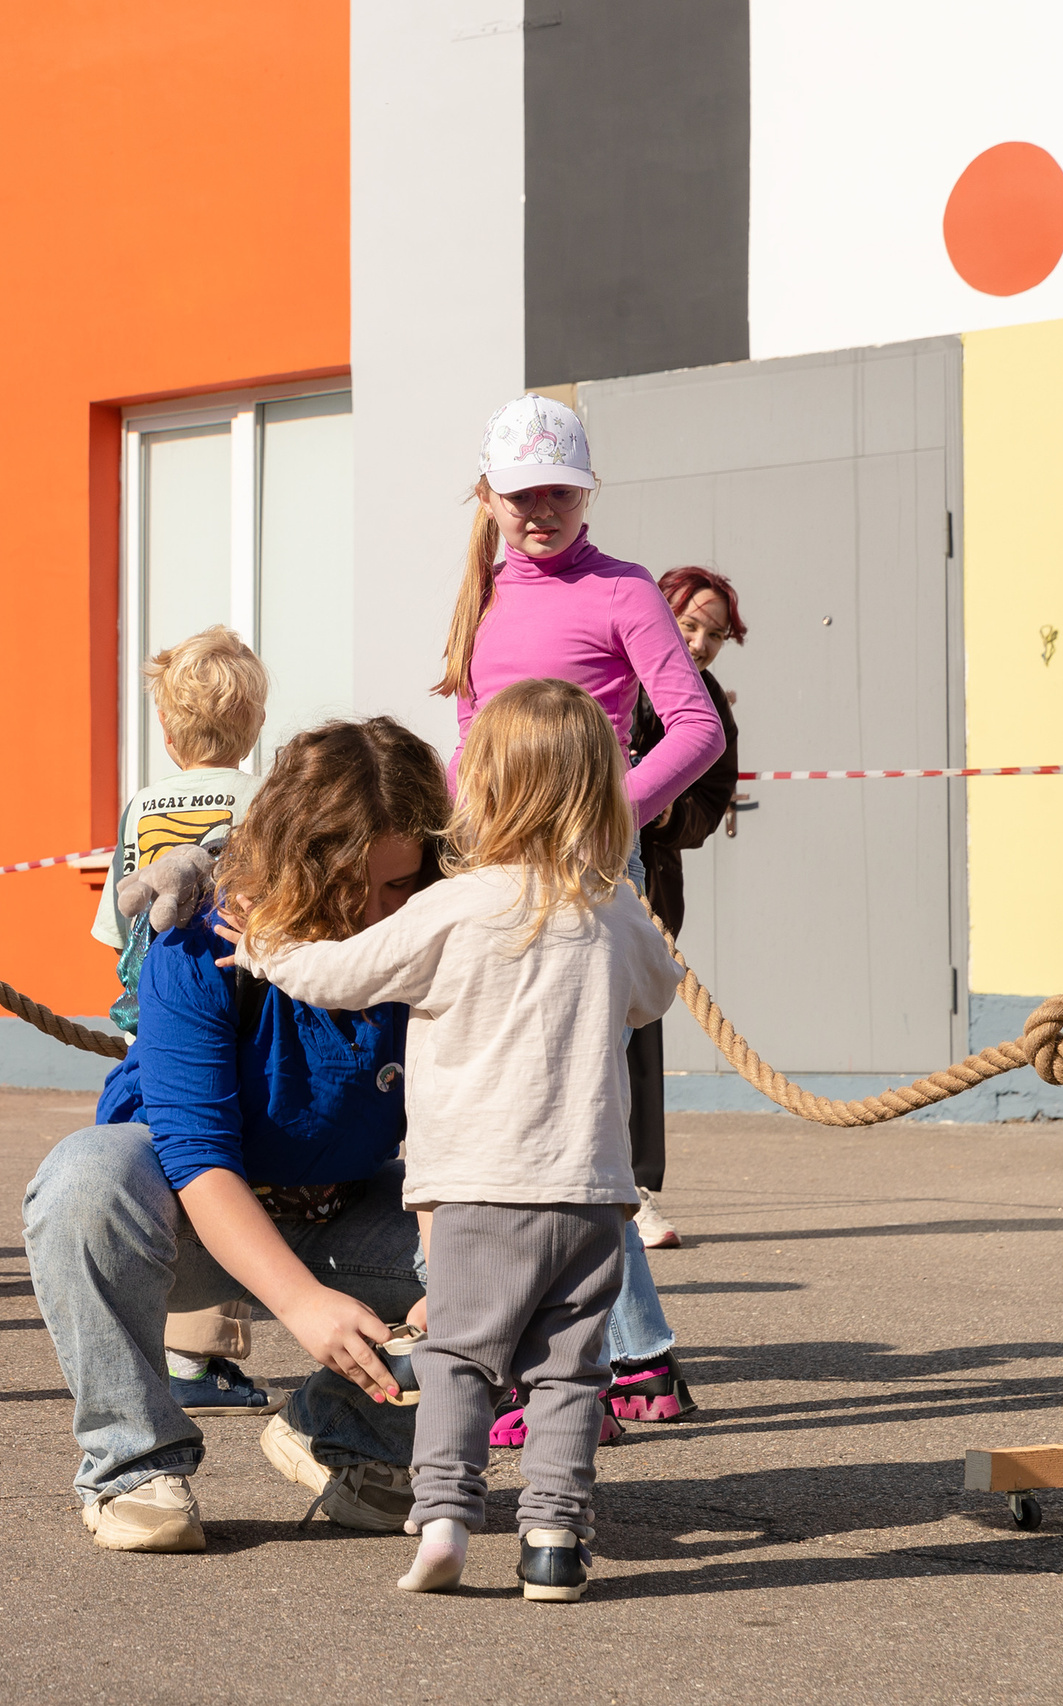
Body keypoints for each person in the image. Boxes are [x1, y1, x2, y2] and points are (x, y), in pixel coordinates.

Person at [248, 679, 683, 1603]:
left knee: (459, 1356)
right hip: (592, 1195)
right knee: (570, 1371)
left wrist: (263, 949)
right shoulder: (614, 910)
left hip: (481, 1190)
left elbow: (341, 975)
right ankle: (554, 1540)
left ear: (480, 788)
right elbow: (656, 994)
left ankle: (445, 1518)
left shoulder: (454, 908)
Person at [23, 717, 446, 1552]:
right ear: (297, 865)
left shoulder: (439, 944)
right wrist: (301, 1306)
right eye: (348, 887)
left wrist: (461, 1277)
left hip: (343, 1212)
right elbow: (195, 1152)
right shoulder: (198, 943)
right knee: (83, 1178)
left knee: (538, 1236)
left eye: (399, 886)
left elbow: (455, 1139)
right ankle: (133, 1465)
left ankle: (346, 1435)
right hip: (184, 1220)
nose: (374, 915)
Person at [434, 393, 722, 1437]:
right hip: (498, 876)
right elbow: (471, 737)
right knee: (530, 1124)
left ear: (587, 493)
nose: (540, 511)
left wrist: (608, 816)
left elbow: (693, 728)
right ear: (488, 496)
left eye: (559, 491)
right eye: (521, 495)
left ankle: (591, 1366)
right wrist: (464, 838)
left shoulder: (623, 589)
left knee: (572, 1127)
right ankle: (627, 1358)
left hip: (592, 875)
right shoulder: (479, 593)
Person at [89, 625, 273, 1417]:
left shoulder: (142, 803)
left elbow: (115, 924)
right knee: (220, 1156)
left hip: (149, 1003)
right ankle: (198, 1353)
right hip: (230, 1002)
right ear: (255, 723)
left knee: (160, 1155)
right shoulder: (263, 799)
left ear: (165, 727)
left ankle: (156, 1332)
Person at [623, 566, 746, 1261]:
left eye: (715, 635)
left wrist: (663, 809)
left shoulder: (709, 704)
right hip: (571, 879)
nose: (699, 644)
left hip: (651, 893)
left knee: (639, 1034)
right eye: (688, 625)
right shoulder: (616, 668)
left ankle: (636, 1189)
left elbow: (710, 799)